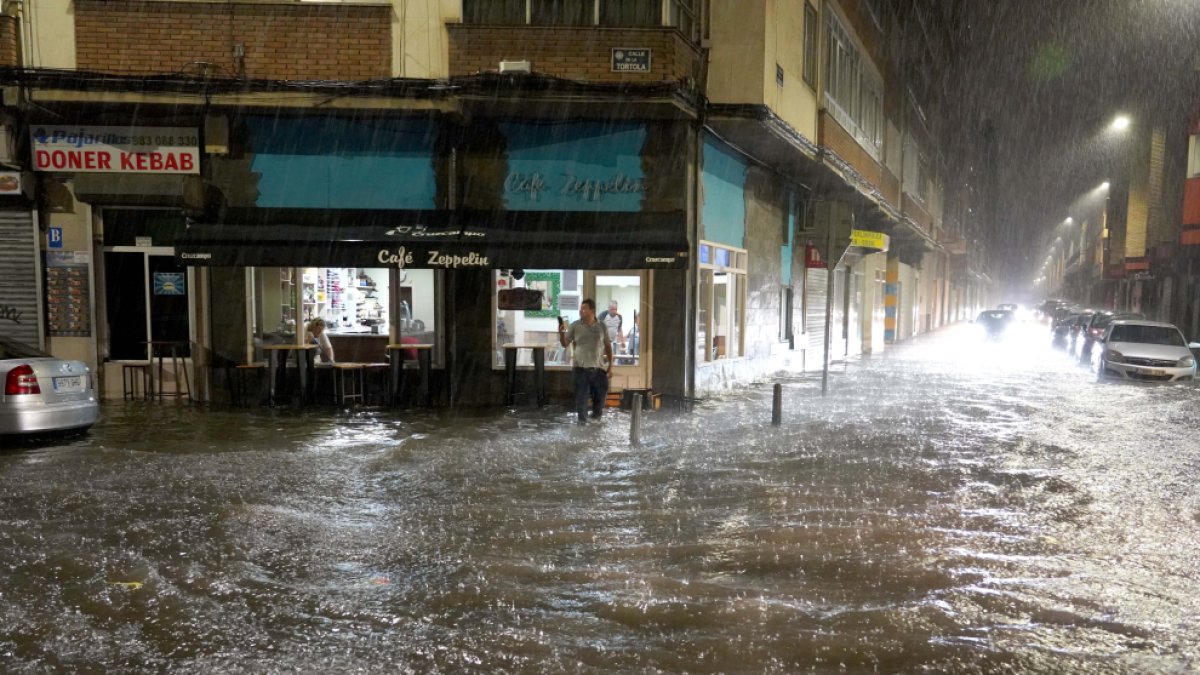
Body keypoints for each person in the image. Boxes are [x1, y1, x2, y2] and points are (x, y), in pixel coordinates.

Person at [559, 298, 613, 424]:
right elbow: (564, 344)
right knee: (581, 401)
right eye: (581, 308)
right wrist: (561, 334)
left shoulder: (601, 326)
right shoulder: (575, 325)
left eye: (584, 308)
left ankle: (595, 427)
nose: (581, 311)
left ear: (592, 310)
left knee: (599, 401)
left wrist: (610, 366)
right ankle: (582, 428)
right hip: (580, 369)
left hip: (599, 369)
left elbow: (608, 346)